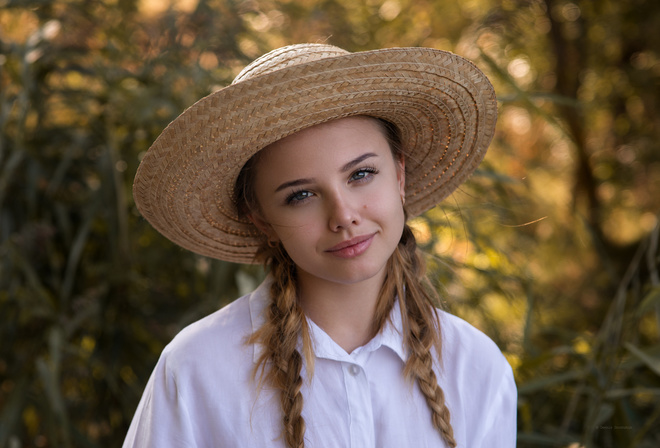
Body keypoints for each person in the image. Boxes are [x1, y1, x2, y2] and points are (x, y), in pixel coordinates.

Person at [125, 43, 517, 448]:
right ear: (260, 219)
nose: (343, 215)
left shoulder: (476, 368)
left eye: (361, 174)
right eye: (300, 196)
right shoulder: (195, 369)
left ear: (399, 175)